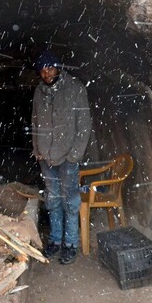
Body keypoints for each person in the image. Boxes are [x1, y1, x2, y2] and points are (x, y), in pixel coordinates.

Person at [31, 50, 92, 264]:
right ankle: (55, 241)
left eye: (49, 68)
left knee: (71, 200)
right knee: (53, 199)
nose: (46, 74)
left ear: (58, 67)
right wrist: (37, 148)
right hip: (46, 158)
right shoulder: (40, 92)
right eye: (42, 71)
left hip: (67, 158)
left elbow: (84, 126)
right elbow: (35, 121)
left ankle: (70, 244)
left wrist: (74, 155)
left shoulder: (74, 88)